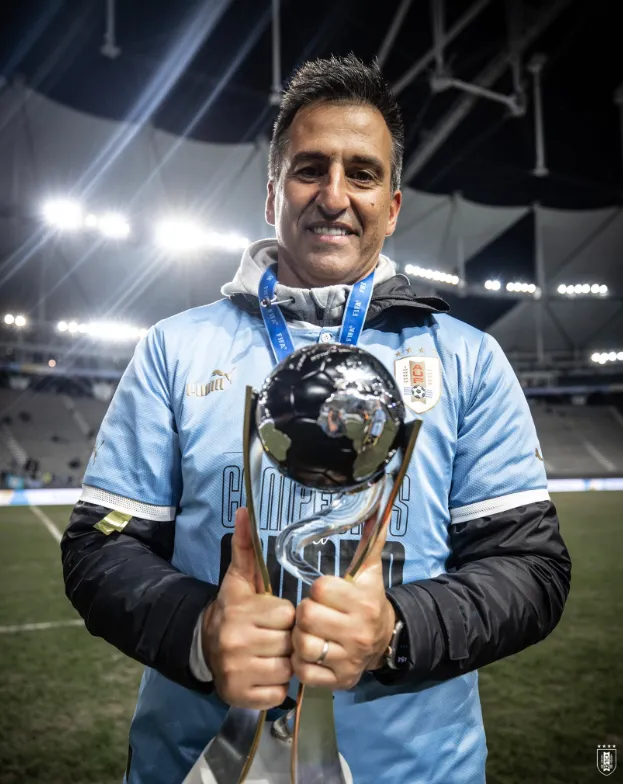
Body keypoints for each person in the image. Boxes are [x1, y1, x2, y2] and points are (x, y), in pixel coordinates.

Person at [61, 54, 571, 784]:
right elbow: (100, 547)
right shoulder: (175, 348)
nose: (334, 195)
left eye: (361, 173)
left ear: (391, 206)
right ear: (272, 194)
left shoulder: (468, 360)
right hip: (194, 765)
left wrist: (397, 629)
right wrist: (201, 631)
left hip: (417, 770)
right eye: (309, 168)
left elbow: (530, 568)